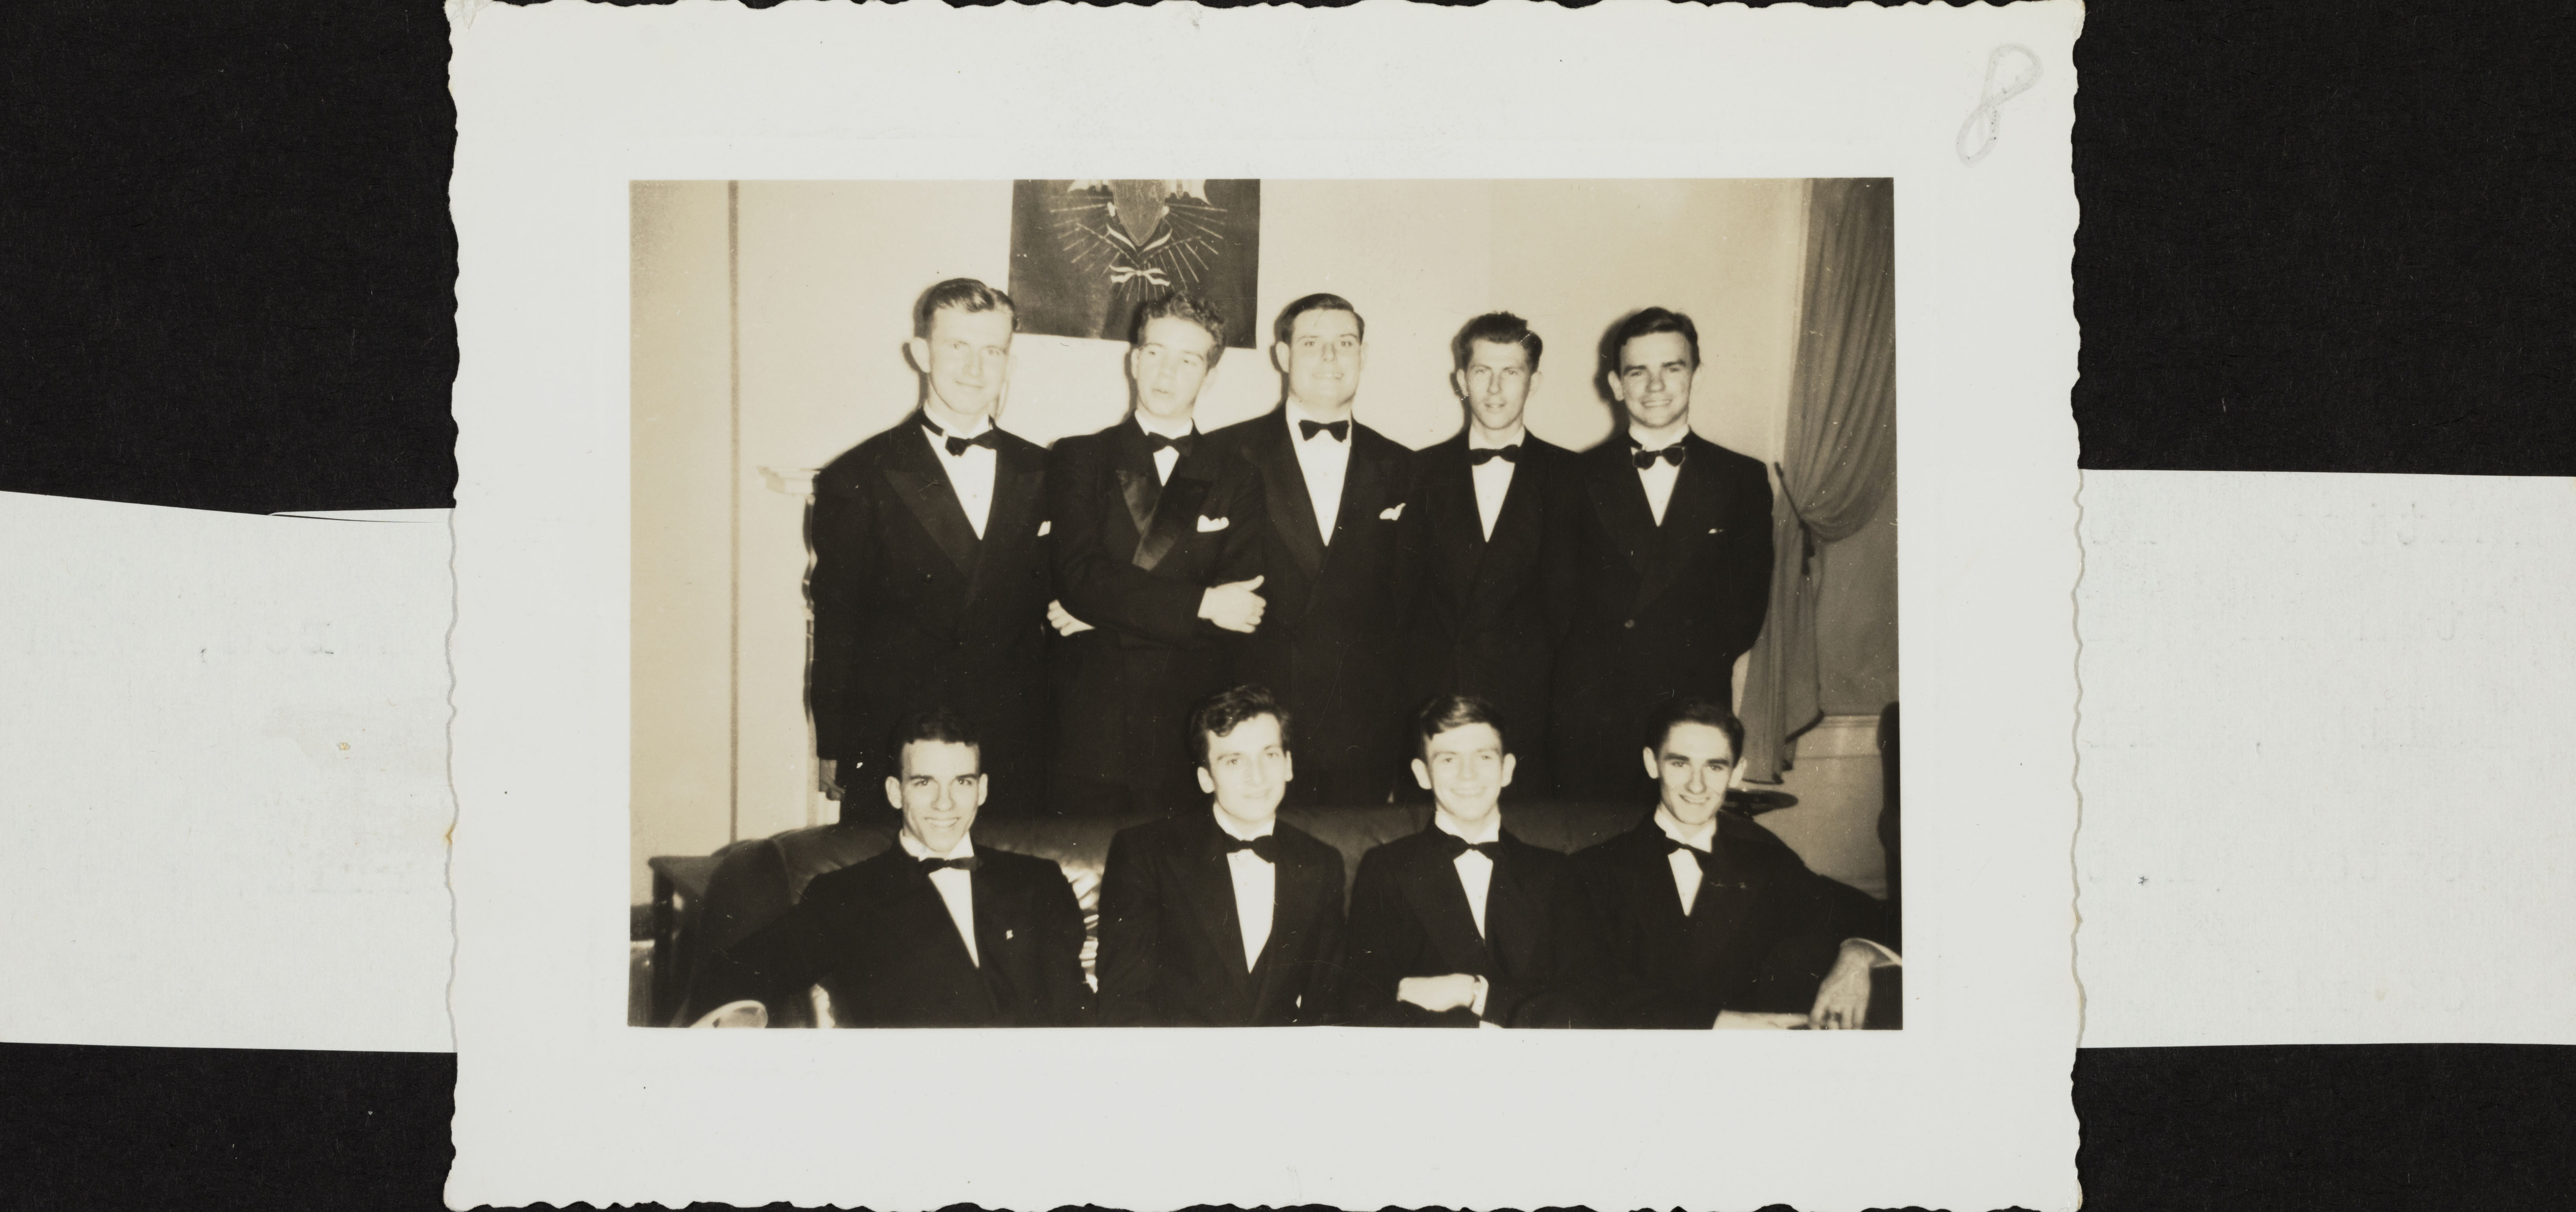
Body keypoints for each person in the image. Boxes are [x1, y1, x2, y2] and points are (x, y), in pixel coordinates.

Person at [808, 278, 1055, 815]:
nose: (975, 368)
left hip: (1011, 740)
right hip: (898, 737)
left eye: (992, 351)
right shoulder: (856, 475)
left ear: (1009, 361)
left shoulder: (1046, 471)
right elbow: (837, 623)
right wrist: (835, 745)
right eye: (957, 347)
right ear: (921, 354)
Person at [679, 710, 1092, 1028]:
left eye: (962, 782)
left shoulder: (1039, 880)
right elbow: (728, 977)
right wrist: (738, 1024)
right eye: (924, 783)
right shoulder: (843, 895)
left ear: (981, 789)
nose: (944, 804)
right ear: (896, 792)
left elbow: (1076, 1012)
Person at [1044, 294, 1270, 817]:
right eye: (1155, 353)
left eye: (1188, 360)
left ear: (1209, 376)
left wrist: (1101, 613)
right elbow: (1077, 577)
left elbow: (1244, 610)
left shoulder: (1238, 477)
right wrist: (1201, 605)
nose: (1167, 372)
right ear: (1133, 360)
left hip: (1187, 727)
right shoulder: (1080, 457)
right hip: (1090, 727)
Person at [1558, 696, 1898, 1030]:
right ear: (1652, 763)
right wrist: (1720, 1022)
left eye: (1715, 766)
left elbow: (1886, 919)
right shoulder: (1590, 872)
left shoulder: (1769, 864)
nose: (1697, 784)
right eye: (1680, 763)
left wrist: (1859, 954)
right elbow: (1585, 992)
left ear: (1737, 773)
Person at [1550, 307, 1775, 800]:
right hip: (1596, 713)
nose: (1655, 385)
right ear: (1615, 383)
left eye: (1672, 367)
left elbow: (1745, 610)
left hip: (1692, 714)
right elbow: (1557, 603)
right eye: (1638, 371)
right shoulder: (1572, 478)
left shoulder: (1742, 479)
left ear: (1694, 372)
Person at [1206, 294, 1418, 805]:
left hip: (1363, 730)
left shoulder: (1405, 467)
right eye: (1311, 343)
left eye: (1344, 344)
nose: (1329, 358)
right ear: (1282, 355)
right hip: (1256, 729)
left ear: (1362, 356)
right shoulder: (1220, 452)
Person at [1397, 313, 1576, 800]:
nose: (1495, 389)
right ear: (1461, 380)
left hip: (1527, 713)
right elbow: (1400, 602)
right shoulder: (1417, 472)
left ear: (1534, 382)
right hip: (1437, 708)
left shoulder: (1574, 477)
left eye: (1512, 372)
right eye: (1482, 372)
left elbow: (1574, 613)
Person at [1095, 685, 1347, 1026]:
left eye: (1270, 755)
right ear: (1205, 779)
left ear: (1289, 764)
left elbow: (1327, 1004)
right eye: (1234, 760)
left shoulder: (1323, 863)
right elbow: (1123, 1004)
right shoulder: (1145, 853)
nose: (1256, 777)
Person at [1337, 695, 1582, 1028]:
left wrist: (1474, 994)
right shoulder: (1386, 869)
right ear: (1422, 774)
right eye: (1449, 759)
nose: (1468, 775)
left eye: (1483, 756)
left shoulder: (1556, 872)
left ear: (1507, 769)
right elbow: (1363, 1005)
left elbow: (1584, 1002)